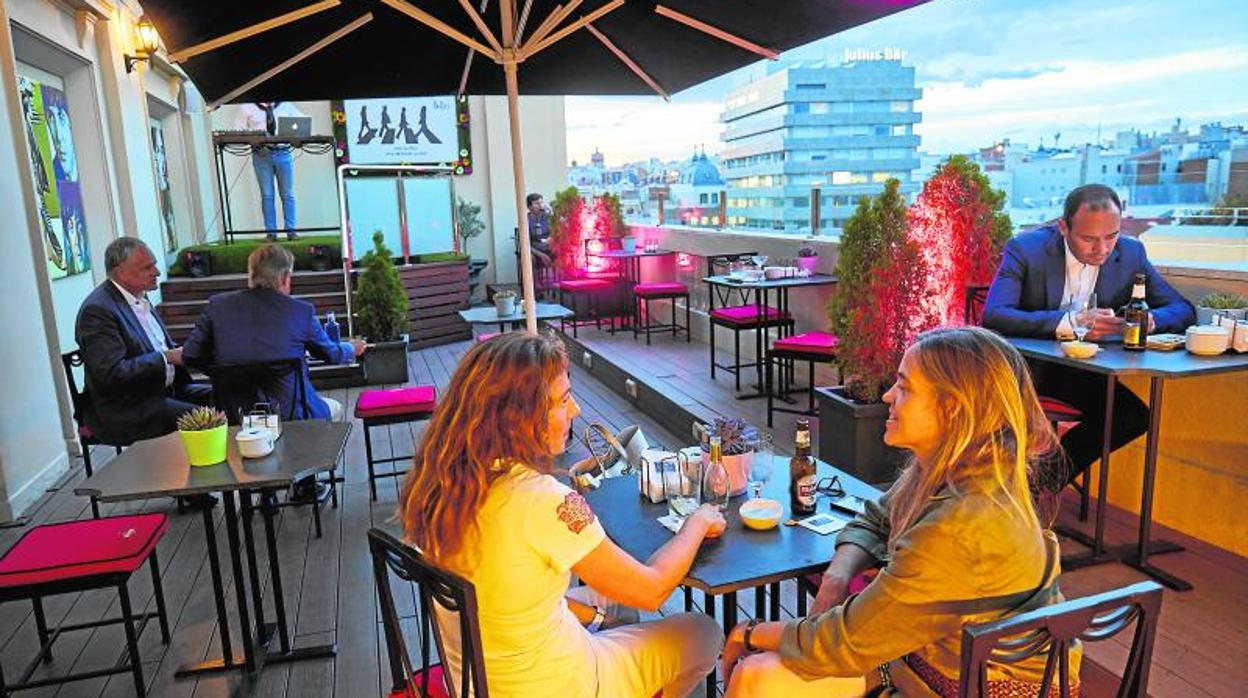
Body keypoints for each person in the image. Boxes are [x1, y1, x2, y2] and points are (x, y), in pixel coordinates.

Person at [721, 327, 1078, 697]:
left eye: (904, 388)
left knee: (756, 676)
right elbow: (878, 516)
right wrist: (838, 576)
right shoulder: (962, 473)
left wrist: (747, 632)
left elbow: (844, 643)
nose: (888, 395)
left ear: (952, 407)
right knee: (761, 673)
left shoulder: (960, 524)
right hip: (929, 660)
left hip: (961, 685)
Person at [398, 332, 724, 697]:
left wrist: (598, 618)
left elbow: (508, 599)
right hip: (561, 685)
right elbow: (651, 591)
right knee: (703, 633)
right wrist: (697, 522)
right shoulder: (543, 500)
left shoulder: (441, 486)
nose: (576, 410)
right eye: (563, 400)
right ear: (520, 416)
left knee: (611, 601)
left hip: (474, 682)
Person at [982, 184, 1195, 485]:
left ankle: (1037, 483)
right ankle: (1012, 490)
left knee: (1130, 416)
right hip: (1027, 366)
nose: (1102, 250)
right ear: (1063, 227)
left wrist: (1146, 320)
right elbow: (995, 314)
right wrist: (1070, 323)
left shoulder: (1131, 252)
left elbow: (1182, 309)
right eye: (1088, 239)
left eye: (1111, 236)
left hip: (1083, 368)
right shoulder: (1026, 249)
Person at [182, 244, 363, 424]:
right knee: (336, 407)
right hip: (293, 413)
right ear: (285, 278)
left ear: (251, 275)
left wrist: (221, 369)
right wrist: (352, 348)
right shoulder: (300, 312)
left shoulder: (218, 306)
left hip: (234, 417)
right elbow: (332, 354)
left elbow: (190, 355)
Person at [74, 237, 212, 444]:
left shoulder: (139, 297)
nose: (156, 272)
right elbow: (110, 374)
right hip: (127, 408)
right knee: (206, 420)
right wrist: (166, 357)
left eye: (154, 265)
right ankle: (194, 474)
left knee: (223, 399)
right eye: (147, 267)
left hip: (163, 392)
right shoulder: (98, 311)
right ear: (121, 272)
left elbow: (160, 348)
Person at [234, 102, 302, 240]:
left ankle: (291, 230)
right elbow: (237, 131)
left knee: (288, 194)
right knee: (267, 195)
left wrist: (296, 135)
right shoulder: (247, 107)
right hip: (261, 155)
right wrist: (252, 138)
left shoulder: (286, 105)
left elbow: (302, 123)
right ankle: (271, 232)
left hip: (283, 152)